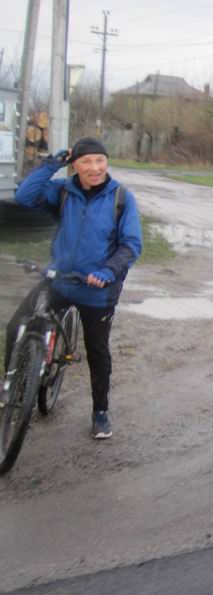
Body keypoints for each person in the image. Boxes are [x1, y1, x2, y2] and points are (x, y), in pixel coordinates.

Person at [4, 137, 143, 439]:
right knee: (18, 325)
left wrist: (107, 271)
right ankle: (11, 387)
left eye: (100, 161)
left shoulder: (121, 198)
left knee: (97, 352)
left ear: (106, 162)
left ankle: (100, 412)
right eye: (86, 162)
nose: (95, 168)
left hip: (97, 291)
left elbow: (131, 244)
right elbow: (25, 196)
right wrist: (52, 163)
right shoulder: (63, 192)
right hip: (60, 281)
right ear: (74, 165)